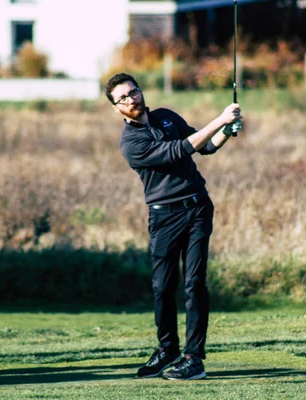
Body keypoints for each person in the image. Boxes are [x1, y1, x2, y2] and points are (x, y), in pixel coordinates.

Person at [105, 73, 242, 381]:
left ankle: (194, 358)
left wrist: (226, 132)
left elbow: (203, 147)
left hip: (197, 208)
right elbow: (180, 150)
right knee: (163, 287)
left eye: (133, 92)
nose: (131, 99)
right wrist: (219, 120)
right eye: (123, 98)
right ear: (116, 108)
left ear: (140, 91)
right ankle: (168, 350)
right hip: (164, 216)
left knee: (194, 284)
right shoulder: (131, 142)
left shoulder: (166, 116)